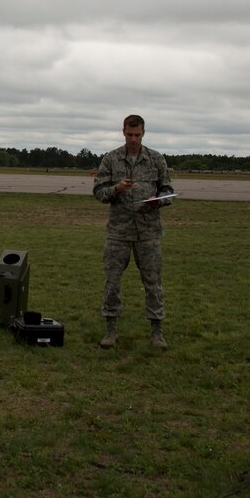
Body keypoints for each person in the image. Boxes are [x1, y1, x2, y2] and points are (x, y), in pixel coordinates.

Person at [93, 115, 174, 350]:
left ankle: (157, 332)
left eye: (137, 135)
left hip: (148, 232)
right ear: (123, 132)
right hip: (118, 232)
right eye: (130, 134)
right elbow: (98, 192)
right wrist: (116, 189)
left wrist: (157, 201)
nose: (133, 139)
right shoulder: (111, 159)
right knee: (112, 282)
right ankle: (110, 330)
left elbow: (168, 190)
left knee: (153, 282)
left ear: (144, 133)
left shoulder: (155, 159)